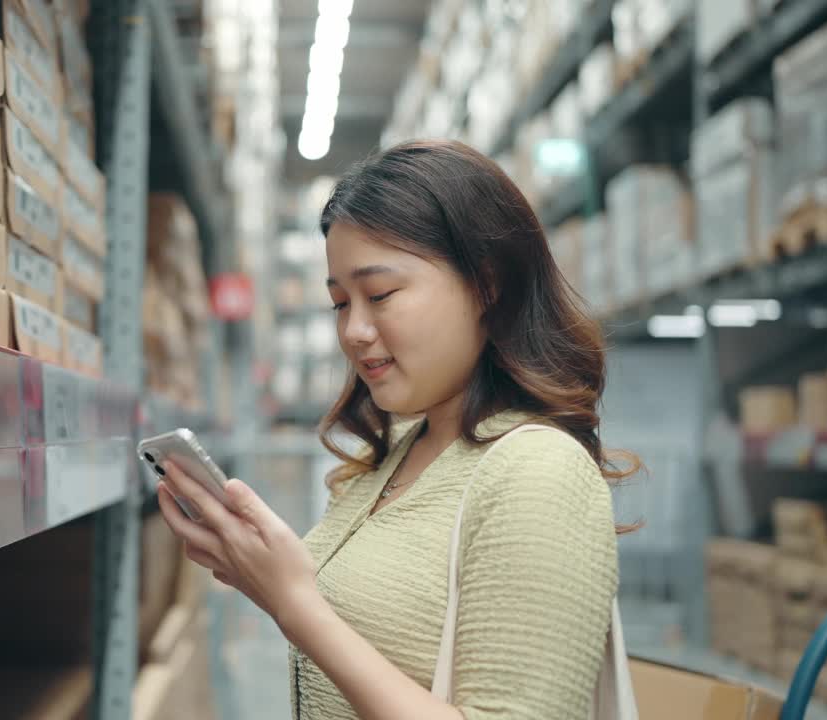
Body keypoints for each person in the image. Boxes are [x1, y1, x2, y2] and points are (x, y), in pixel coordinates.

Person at [155, 139, 639, 720]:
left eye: (380, 295)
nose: (354, 331)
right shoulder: (399, 455)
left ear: (487, 285)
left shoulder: (539, 473)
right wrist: (265, 571)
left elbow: (316, 619)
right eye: (340, 302)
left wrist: (295, 603)